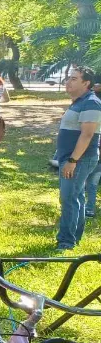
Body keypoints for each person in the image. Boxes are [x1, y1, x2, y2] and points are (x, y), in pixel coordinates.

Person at [53, 67, 101, 250]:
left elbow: (87, 135)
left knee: (69, 199)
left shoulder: (91, 103)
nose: (68, 82)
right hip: (71, 158)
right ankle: (74, 237)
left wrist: (72, 161)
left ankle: (66, 242)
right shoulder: (79, 102)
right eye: (68, 78)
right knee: (76, 197)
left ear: (86, 83)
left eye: (74, 79)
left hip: (79, 159)